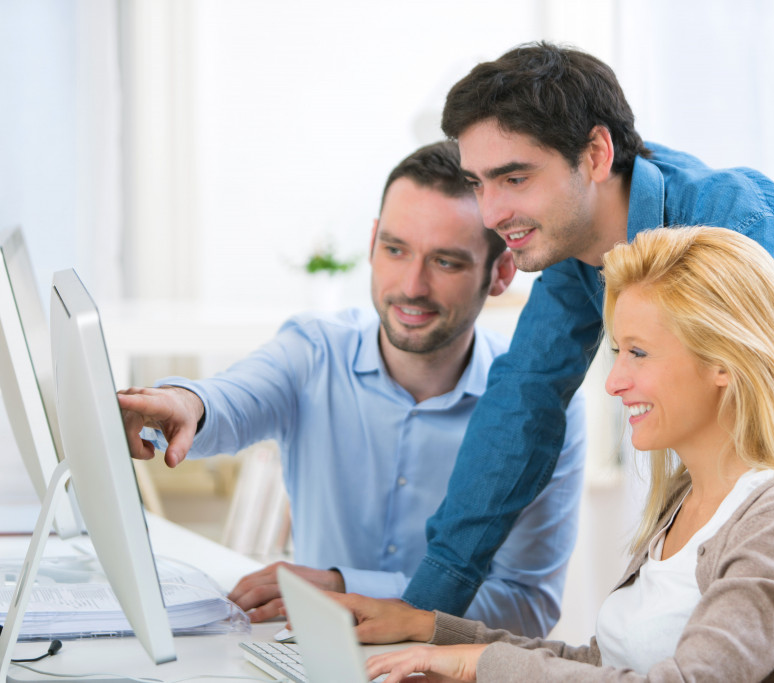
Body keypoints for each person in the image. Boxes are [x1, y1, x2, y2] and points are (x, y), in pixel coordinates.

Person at [399, 43, 774, 681]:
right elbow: (520, 407)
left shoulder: (748, 230)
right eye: (478, 183)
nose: (491, 212)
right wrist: (418, 614)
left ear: (595, 155)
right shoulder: (583, 242)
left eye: (514, 177)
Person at [324, 226, 774, 682]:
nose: (615, 382)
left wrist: (482, 665)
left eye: (639, 353)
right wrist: (432, 633)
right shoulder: (685, 503)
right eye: (616, 353)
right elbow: (603, 668)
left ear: (725, 362)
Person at [116, 140, 587, 638]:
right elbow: (229, 399)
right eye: (395, 249)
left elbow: (527, 607)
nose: (412, 285)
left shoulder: (543, 406)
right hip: (312, 657)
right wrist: (183, 404)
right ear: (370, 244)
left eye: (446, 262)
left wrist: (343, 585)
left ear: (501, 273)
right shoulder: (315, 352)